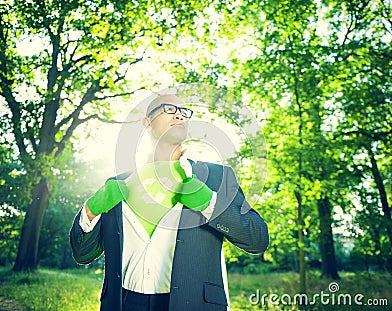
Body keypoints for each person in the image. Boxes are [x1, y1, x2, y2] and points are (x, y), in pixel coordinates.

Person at [69, 94, 269, 311]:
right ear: (147, 122)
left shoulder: (217, 177)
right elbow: (83, 254)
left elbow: (257, 239)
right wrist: (91, 210)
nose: (179, 115)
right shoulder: (117, 184)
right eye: (169, 108)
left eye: (184, 112)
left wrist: (209, 202)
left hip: (191, 305)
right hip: (123, 303)